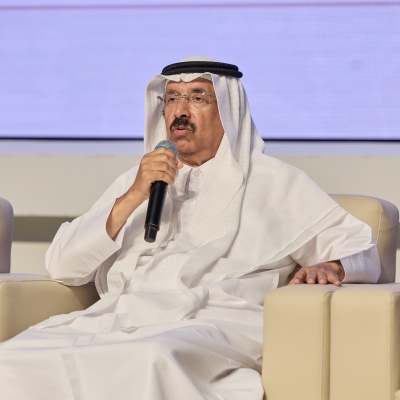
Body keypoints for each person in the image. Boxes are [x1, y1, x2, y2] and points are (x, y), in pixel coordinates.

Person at [0, 56, 380, 399]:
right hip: (120, 319)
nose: (180, 111)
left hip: (213, 324)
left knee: (148, 359)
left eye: (198, 98)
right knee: (14, 358)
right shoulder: (140, 179)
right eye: (172, 99)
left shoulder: (274, 182)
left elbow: (357, 245)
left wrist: (331, 266)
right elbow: (62, 265)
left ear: (227, 110)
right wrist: (134, 196)